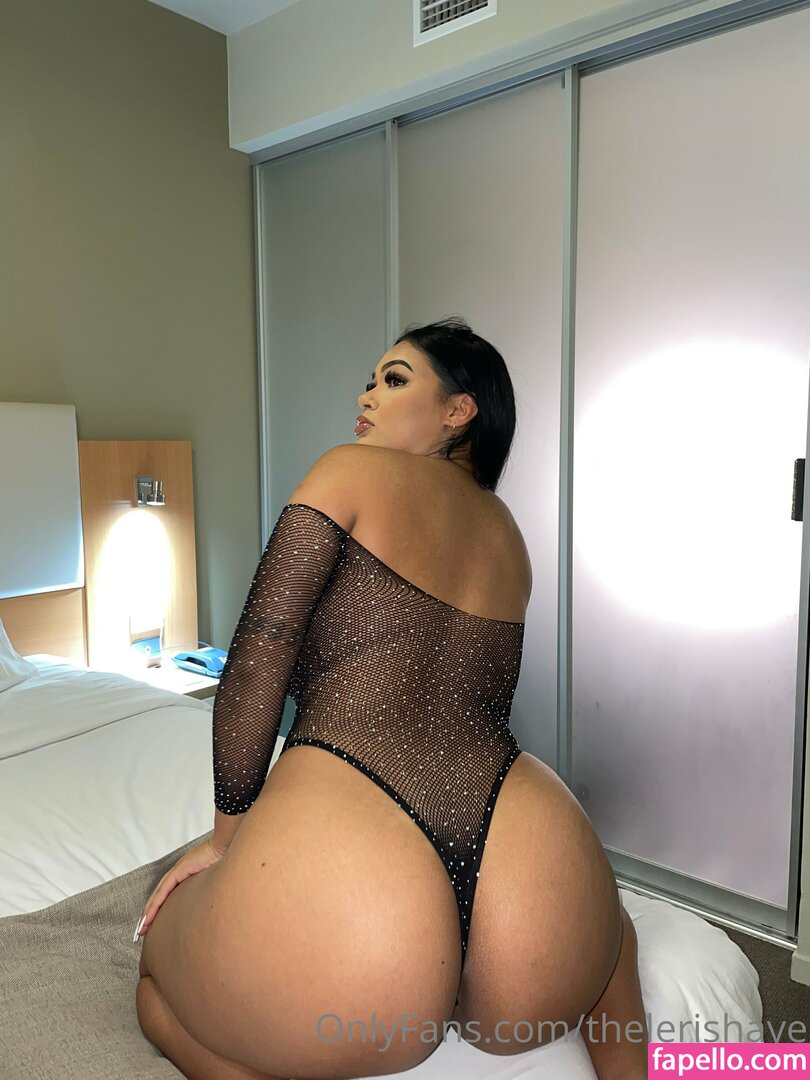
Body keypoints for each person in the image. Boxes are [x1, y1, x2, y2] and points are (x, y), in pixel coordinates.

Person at [133, 316, 648, 1080]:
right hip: (529, 861)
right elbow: (473, 698)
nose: (366, 395)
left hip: (364, 867)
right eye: (371, 381)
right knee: (613, 941)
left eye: (394, 379)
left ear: (459, 410)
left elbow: (258, 656)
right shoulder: (507, 534)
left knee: (153, 975)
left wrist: (224, 839)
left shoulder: (350, 471)